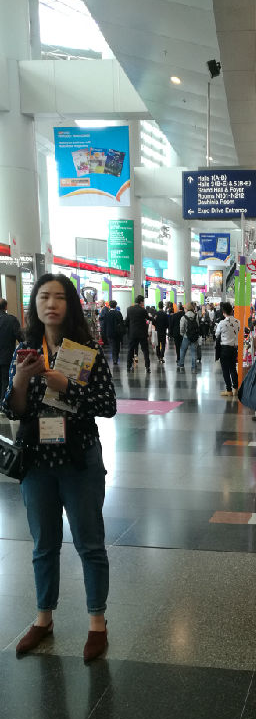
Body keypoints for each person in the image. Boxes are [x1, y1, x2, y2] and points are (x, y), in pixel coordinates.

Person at [0, 273, 116, 662]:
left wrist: (66, 384)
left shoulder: (87, 350)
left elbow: (107, 405)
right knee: (43, 544)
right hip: (37, 463)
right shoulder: (26, 350)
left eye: (59, 297)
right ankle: (43, 618)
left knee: (89, 543)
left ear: (70, 305)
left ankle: (96, 622)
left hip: (79, 459)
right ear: (34, 304)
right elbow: (13, 409)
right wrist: (21, 380)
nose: (51, 304)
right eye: (44, 297)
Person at [216, 301, 240, 396]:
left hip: (224, 349)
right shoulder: (238, 322)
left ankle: (229, 390)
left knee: (225, 370)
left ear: (223, 312)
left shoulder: (221, 323)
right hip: (234, 349)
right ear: (232, 311)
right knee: (233, 368)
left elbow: (217, 334)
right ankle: (236, 388)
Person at [0, 298, 21, 399]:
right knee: (5, 382)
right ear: (6, 307)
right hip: (6, 358)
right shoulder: (11, 320)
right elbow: (21, 338)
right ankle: (3, 405)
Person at [126, 295, 151, 373]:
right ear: (141, 302)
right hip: (142, 334)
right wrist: (154, 319)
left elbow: (127, 321)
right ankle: (147, 367)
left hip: (133, 333)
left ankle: (128, 366)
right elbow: (148, 318)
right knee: (145, 350)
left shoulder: (129, 309)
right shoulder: (143, 310)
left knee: (130, 350)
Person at [179, 302, 199, 372]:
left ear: (186, 309)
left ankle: (181, 365)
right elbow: (198, 326)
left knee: (182, 351)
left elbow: (181, 329)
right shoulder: (196, 316)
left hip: (186, 337)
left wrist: (183, 334)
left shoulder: (183, 317)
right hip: (194, 337)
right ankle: (194, 368)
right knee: (194, 352)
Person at [104, 299, 124, 365]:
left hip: (109, 332)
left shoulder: (107, 314)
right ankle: (116, 357)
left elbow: (105, 324)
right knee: (117, 346)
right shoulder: (118, 313)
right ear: (116, 306)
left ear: (109, 306)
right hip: (117, 333)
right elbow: (121, 323)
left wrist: (104, 333)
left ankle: (114, 359)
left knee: (112, 346)